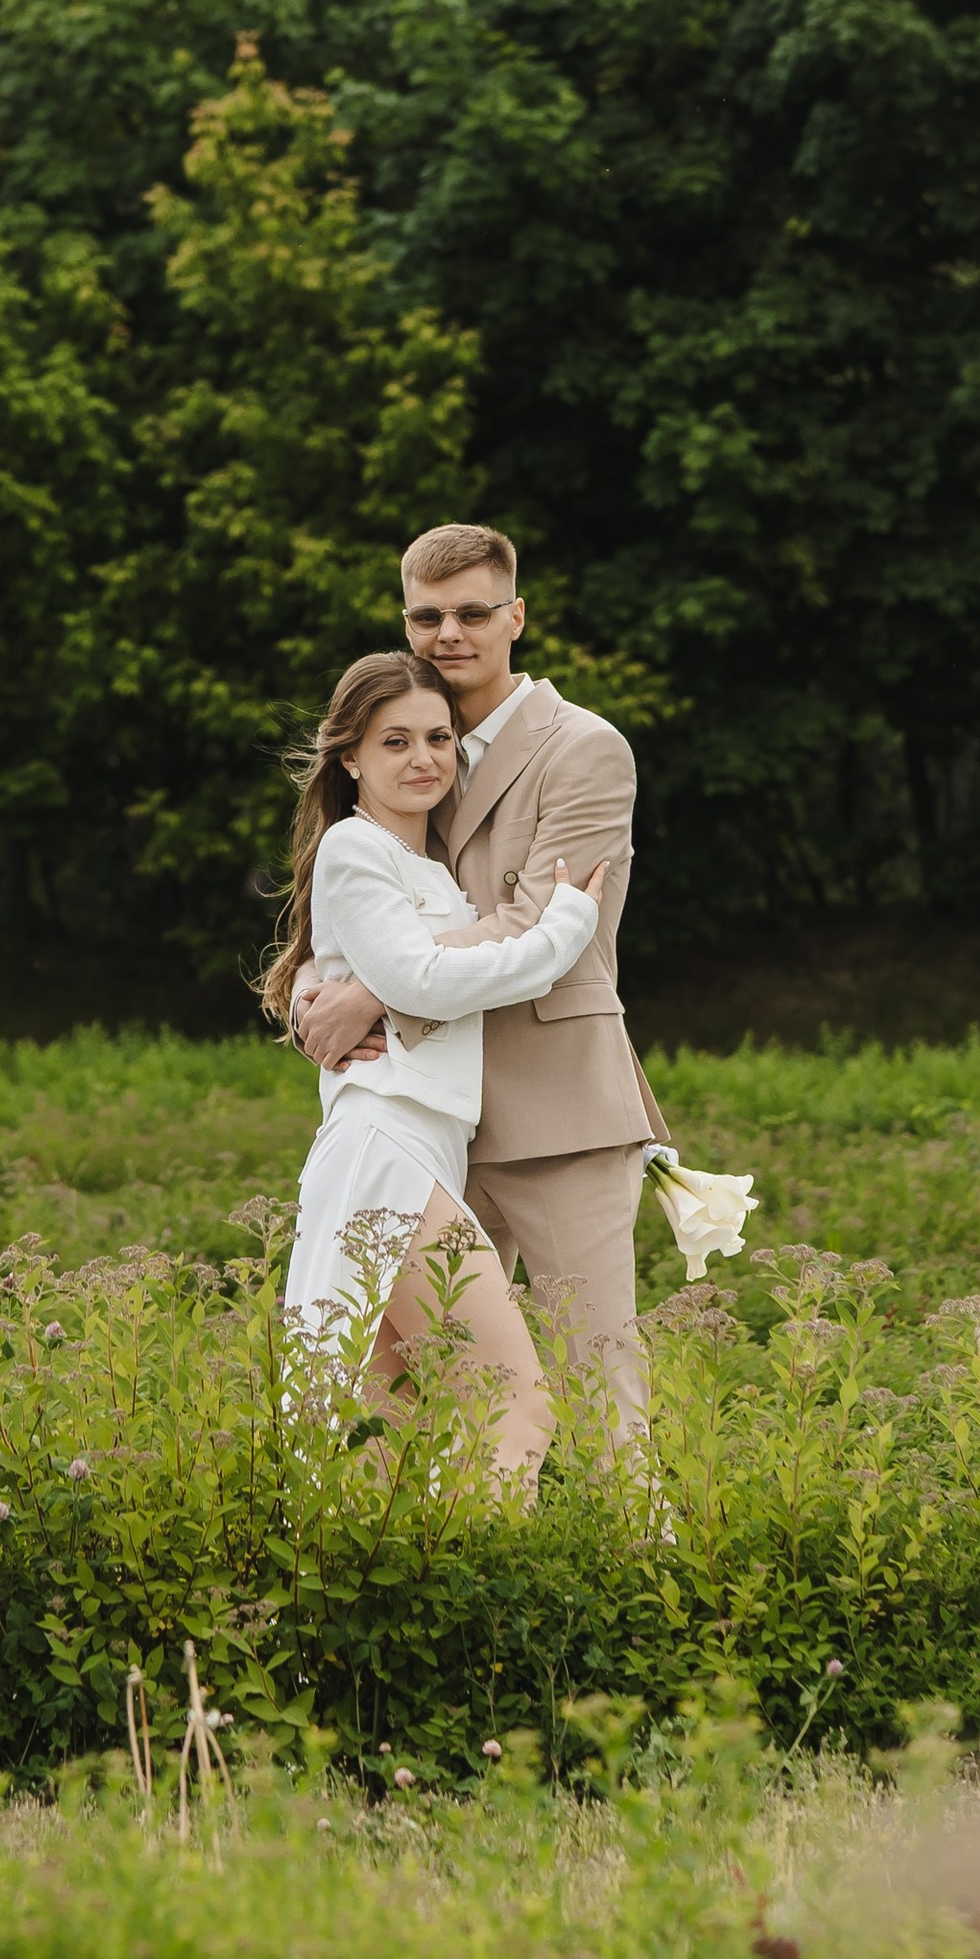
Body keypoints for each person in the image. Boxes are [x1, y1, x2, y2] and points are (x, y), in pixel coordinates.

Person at [292, 521, 668, 1448]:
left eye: (472, 613)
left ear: (517, 617)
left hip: (558, 1111)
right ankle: (449, 1577)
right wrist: (313, 975)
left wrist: (375, 991)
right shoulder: (417, 739)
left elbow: (541, 921)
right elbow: (369, 880)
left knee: (596, 1372)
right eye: (427, 616)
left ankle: (647, 1572)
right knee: (417, 1380)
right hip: (439, 1117)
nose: (447, 634)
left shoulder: (585, 748)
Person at [262, 647, 606, 1489]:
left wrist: (323, 985)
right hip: (389, 1149)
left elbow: (374, 968)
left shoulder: (430, 871)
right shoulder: (354, 846)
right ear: (349, 757)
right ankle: (487, 1589)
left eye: (439, 739)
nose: (424, 760)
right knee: (517, 1406)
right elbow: (421, 980)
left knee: (379, 1427)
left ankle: (391, 1602)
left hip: (417, 1147)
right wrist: (566, 930)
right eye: (395, 742)